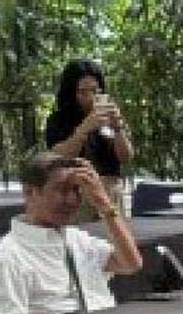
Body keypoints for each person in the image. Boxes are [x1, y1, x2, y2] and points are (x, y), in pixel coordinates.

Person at [0, 151, 143, 314]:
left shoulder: (79, 240)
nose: (73, 200)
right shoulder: (6, 258)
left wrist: (104, 205)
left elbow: (131, 264)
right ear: (30, 192)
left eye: (77, 190)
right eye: (62, 190)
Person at [45, 60, 134, 219]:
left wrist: (118, 128)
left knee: (114, 240)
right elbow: (58, 157)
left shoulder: (109, 116)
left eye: (95, 91)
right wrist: (84, 129)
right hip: (77, 192)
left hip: (110, 192)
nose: (90, 97)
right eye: (83, 92)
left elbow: (125, 157)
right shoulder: (58, 120)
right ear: (71, 92)